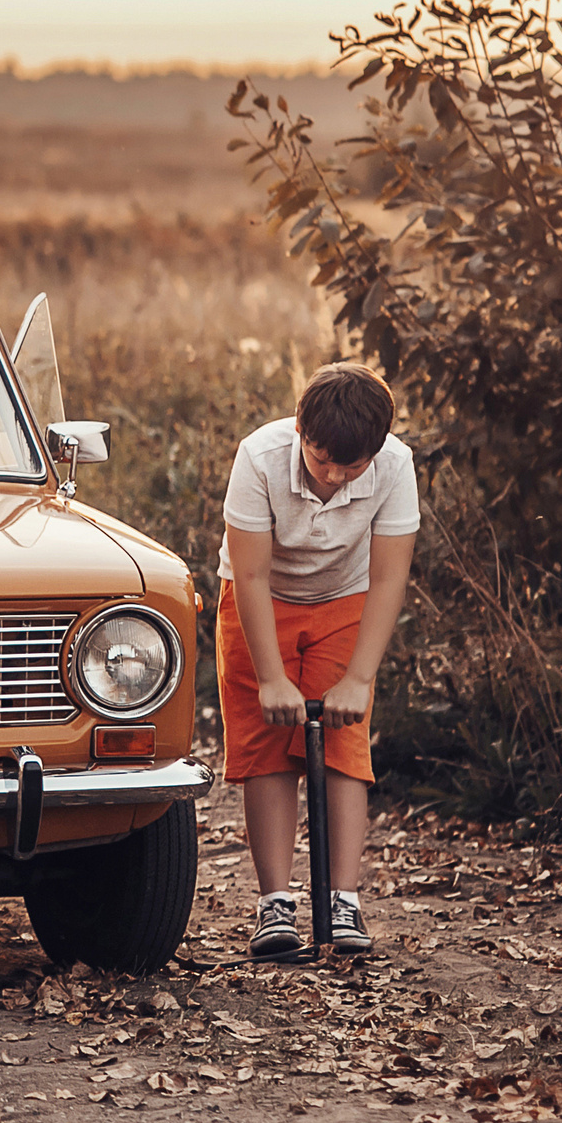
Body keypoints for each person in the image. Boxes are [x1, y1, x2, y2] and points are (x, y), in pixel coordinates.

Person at [218, 361, 419, 960]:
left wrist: (359, 677)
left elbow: (388, 578)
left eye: (347, 466)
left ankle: (344, 902)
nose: (330, 474)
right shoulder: (259, 456)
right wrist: (273, 678)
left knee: (343, 743)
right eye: (320, 456)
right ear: (301, 429)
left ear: (375, 452)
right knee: (266, 745)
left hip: (344, 599)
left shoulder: (396, 466)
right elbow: (250, 573)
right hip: (260, 600)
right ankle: (275, 904)